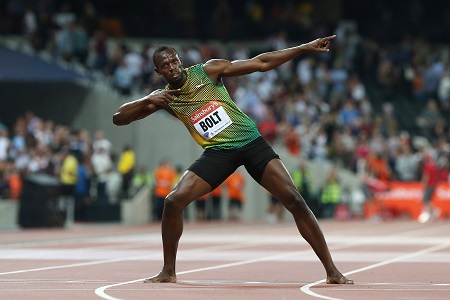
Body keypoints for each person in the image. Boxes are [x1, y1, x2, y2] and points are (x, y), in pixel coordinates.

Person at [112, 35, 353, 284]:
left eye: (174, 61)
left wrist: (303, 48)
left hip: (250, 143)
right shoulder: (163, 98)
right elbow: (119, 118)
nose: (172, 67)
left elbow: (260, 63)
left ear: (180, 61)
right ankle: (168, 271)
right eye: (165, 65)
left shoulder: (209, 70)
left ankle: (332, 271)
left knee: (295, 200)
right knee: (173, 201)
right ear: (157, 71)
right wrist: (148, 99)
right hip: (219, 153)